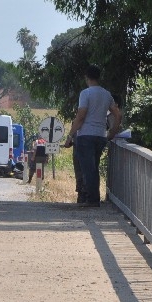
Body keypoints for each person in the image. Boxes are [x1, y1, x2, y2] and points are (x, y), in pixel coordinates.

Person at [64, 65, 122, 207]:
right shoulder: (107, 94)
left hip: (86, 135)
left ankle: (92, 200)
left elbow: (81, 116)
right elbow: (117, 114)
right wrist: (112, 132)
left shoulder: (86, 93)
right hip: (101, 136)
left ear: (87, 77)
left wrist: (70, 135)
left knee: (87, 169)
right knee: (93, 167)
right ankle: (93, 198)